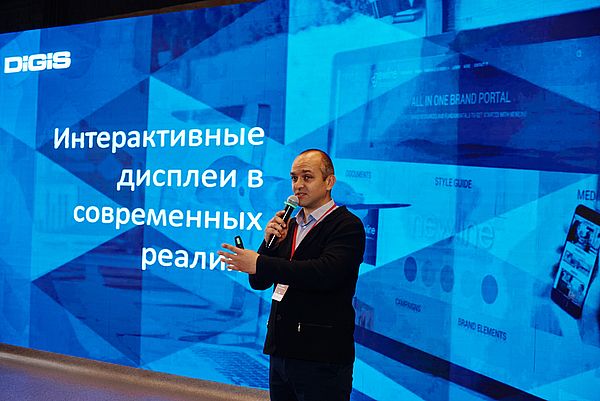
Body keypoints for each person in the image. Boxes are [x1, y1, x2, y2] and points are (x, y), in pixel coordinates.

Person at [219, 149, 366, 401]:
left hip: (321, 356)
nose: (298, 185)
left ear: (329, 182)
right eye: (294, 178)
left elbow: (324, 273)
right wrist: (269, 244)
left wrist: (260, 261)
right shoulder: (290, 223)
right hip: (282, 350)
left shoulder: (347, 225)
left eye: (307, 177)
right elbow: (259, 281)